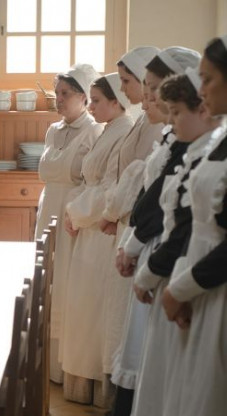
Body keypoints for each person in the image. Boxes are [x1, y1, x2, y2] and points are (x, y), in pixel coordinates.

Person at [132, 66, 220, 416]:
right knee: (170, 379)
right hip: (183, 269)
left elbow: (186, 225)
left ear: (202, 110)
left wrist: (158, 278)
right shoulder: (202, 147)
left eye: (176, 112)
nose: (170, 121)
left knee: (197, 386)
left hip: (196, 273)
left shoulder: (207, 149)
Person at [158, 34, 227, 416]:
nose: (202, 90)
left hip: (215, 286)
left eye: (209, 78)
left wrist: (179, 288)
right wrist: (181, 286)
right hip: (198, 284)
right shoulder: (220, 138)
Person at [61, 73, 133, 408]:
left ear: (117, 101)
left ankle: (96, 387)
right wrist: (74, 210)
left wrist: (76, 212)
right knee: (83, 309)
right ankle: (80, 384)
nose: (90, 107)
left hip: (101, 232)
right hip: (88, 227)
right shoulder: (109, 129)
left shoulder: (124, 133)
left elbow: (110, 190)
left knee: (93, 313)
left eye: (96, 101)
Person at [99, 46, 162, 416]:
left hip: (138, 230)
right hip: (127, 225)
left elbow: (141, 184)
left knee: (130, 321)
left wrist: (115, 213)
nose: (122, 89)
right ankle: (118, 398)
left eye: (127, 81)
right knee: (120, 320)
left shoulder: (156, 124)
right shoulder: (141, 118)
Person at [34, 63, 103, 383]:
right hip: (48, 207)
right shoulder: (52, 130)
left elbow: (93, 182)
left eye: (65, 94)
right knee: (45, 278)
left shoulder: (94, 131)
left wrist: (77, 213)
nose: (58, 99)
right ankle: (41, 360)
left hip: (71, 215)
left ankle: (64, 367)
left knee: (65, 281)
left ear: (84, 96)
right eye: (56, 93)